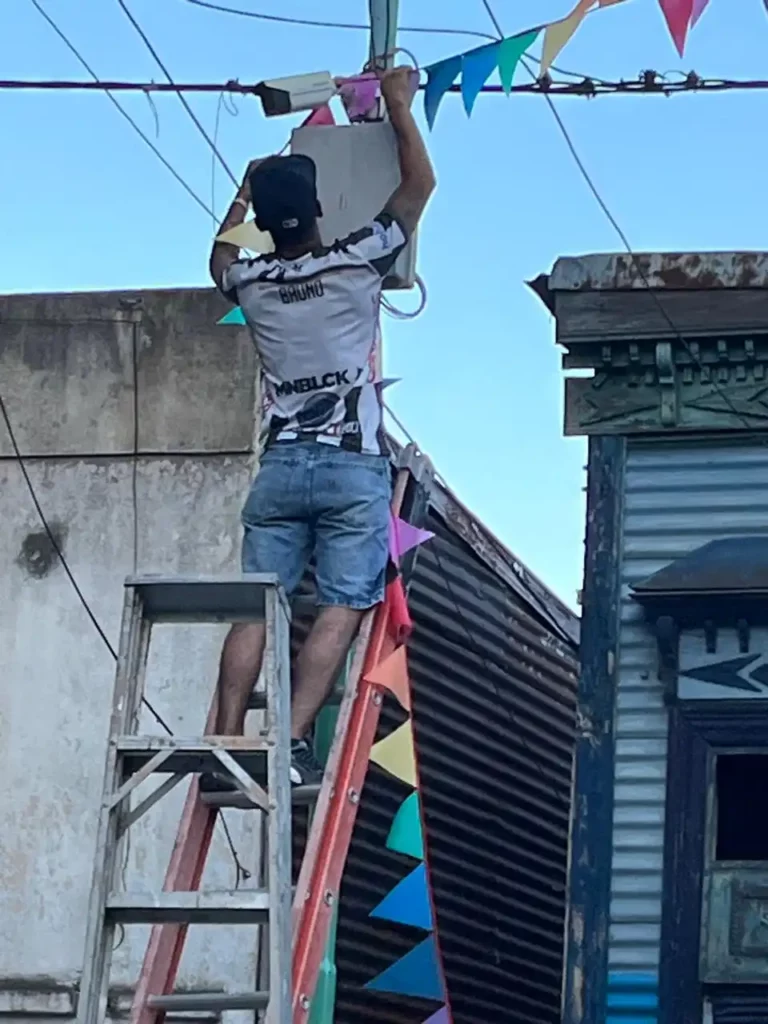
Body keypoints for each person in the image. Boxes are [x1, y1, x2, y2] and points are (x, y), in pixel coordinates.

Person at [204, 65, 435, 790]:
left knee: (256, 604)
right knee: (341, 603)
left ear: (269, 223)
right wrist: (398, 107)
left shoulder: (252, 284)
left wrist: (245, 189)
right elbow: (417, 190)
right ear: (318, 210)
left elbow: (219, 257)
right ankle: (293, 741)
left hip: (280, 467)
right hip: (350, 467)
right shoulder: (355, 260)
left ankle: (225, 741)